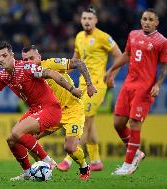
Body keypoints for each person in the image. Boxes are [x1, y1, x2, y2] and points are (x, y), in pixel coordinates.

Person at [0, 41, 82, 181]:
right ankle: (27, 172)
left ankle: (47, 160)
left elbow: (50, 72)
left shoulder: (26, 67)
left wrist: (72, 89)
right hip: (35, 110)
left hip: (50, 108)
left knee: (17, 132)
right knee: (11, 140)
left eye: (4, 55)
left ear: (12, 55)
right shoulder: (4, 76)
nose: (1, 59)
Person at [105, 8, 167, 175]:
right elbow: (127, 54)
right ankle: (137, 153)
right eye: (144, 19)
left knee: (134, 124)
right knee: (118, 124)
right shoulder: (133, 35)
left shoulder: (162, 42)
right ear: (141, 20)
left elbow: (164, 67)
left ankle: (128, 164)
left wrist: (158, 85)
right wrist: (111, 69)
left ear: (156, 23)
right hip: (128, 85)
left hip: (145, 88)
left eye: (150, 20)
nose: (147, 22)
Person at [58, 6, 122, 171]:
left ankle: (69, 159)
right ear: (81, 20)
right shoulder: (79, 37)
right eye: (84, 18)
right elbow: (75, 60)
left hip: (97, 86)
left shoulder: (103, 37)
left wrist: (111, 75)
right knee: (90, 123)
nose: (87, 21)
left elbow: (120, 56)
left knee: (83, 120)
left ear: (96, 21)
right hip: (81, 85)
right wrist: (59, 73)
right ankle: (96, 161)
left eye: (90, 19)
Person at [22, 45, 97, 180]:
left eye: (32, 58)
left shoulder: (51, 64)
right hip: (52, 112)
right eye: (25, 60)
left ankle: (84, 168)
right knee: (27, 138)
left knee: (69, 147)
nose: (29, 62)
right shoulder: (28, 77)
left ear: (39, 57)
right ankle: (45, 163)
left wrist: (89, 84)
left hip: (73, 109)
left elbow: (79, 63)